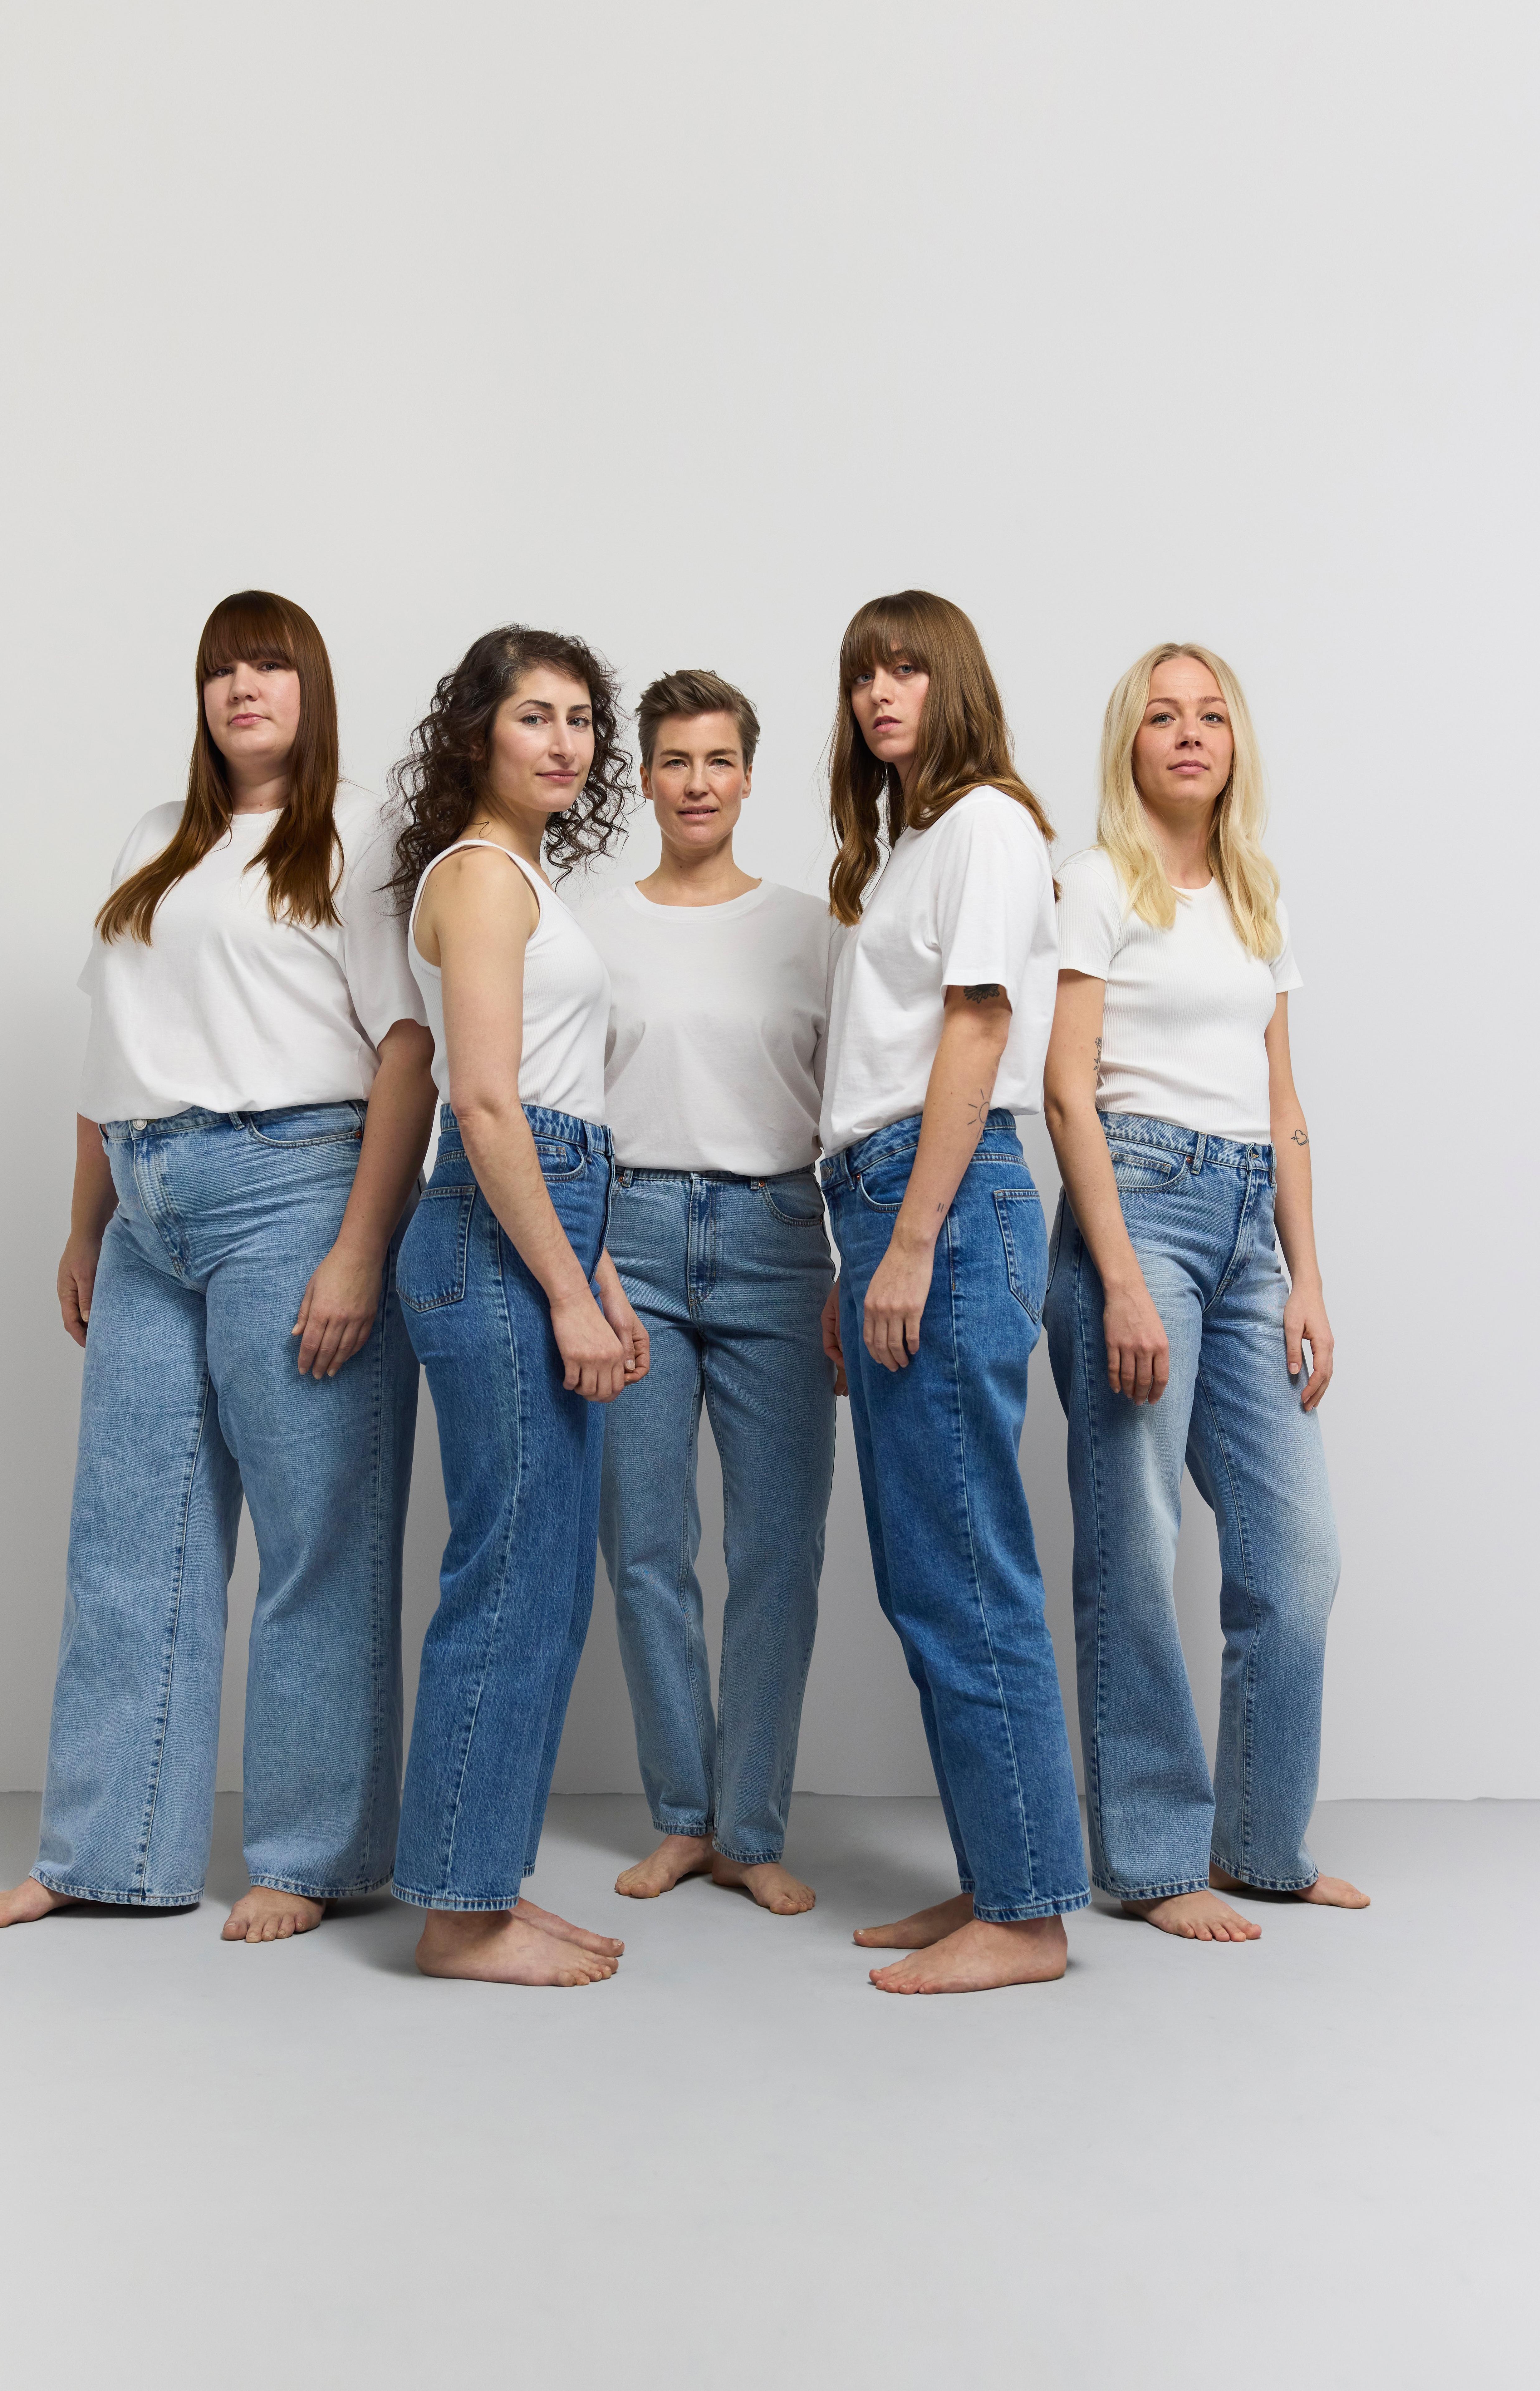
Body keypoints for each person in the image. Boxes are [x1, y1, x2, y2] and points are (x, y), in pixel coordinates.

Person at [0, 591, 435, 1942]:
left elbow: (408, 1048)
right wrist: (84, 1225)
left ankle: (311, 1854)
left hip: (296, 1188)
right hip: (147, 1202)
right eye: (223, 669)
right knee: (128, 1536)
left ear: (311, 688)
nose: (244, 688)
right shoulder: (155, 839)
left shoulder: (355, 835)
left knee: (317, 1538)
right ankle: (106, 1850)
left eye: (270, 666)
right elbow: (108, 1054)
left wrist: (362, 1247)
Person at [1042, 643, 1366, 1940]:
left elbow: (1286, 1108)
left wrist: (1307, 1277)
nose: (1190, 733)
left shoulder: (1255, 895)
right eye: (1163, 716)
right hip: (1136, 1208)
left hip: (1246, 1233)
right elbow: (1067, 1090)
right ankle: (1153, 1858)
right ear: (1129, 743)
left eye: (1212, 714)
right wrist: (1118, 1277)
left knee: (1297, 1557)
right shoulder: (1092, 885)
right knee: (1135, 1544)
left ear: (1235, 744)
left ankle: (1261, 1847)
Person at [817, 590, 1089, 1994]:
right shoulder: (912, 844)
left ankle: (1028, 1913)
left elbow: (979, 1027)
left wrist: (912, 1241)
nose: (881, 693)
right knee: (929, 1567)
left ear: (954, 681)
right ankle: (1000, 1869)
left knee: (967, 1561)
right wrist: (857, 1255)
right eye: (864, 673)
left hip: (945, 1200)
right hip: (883, 1200)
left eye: (907, 669)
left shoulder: (986, 822)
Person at [390, 625, 649, 1988]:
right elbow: (487, 1104)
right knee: (511, 1573)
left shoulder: (525, 875)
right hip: (493, 1240)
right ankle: (457, 1912)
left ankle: (482, 1881)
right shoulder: (482, 877)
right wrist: (564, 1289)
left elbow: (554, 1099)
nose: (565, 741)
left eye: (582, 719)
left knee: (542, 1578)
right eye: (535, 715)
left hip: (546, 1221)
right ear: (478, 732)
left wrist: (598, 1271)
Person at [579, 670, 838, 1917]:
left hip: (778, 1236)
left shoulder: (813, 927)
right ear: (644, 778)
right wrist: (585, 1258)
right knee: (645, 1544)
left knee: (778, 1548)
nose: (697, 783)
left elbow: (855, 1102)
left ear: (747, 776)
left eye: (719, 759)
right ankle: (684, 1817)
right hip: (627, 1237)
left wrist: (852, 1261)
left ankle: (752, 1827)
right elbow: (563, 1103)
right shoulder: (588, 925)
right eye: (675, 760)